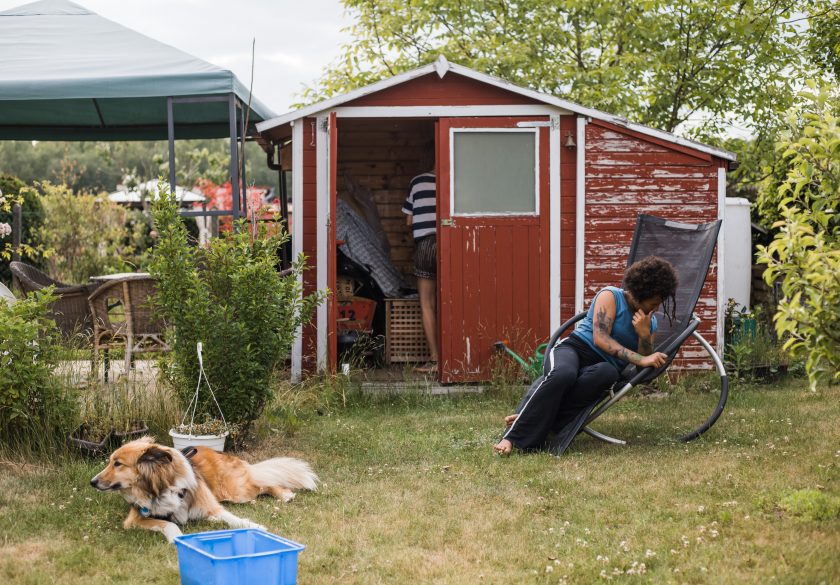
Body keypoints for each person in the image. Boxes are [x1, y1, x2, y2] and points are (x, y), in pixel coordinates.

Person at [493, 256, 678, 455]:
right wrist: (642, 358)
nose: (656, 308)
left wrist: (644, 336)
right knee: (564, 374)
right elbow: (600, 339)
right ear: (642, 292)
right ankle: (512, 438)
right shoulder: (611, 296)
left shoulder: (650, 323)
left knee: (608, 373)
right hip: (574, 350)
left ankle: (532, 418)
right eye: (654, 302)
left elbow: (644, 369)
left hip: (602, 368)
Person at [402, 143, 438, 373]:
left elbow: (408, 220)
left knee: (427, 302)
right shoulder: (457, 179)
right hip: (452, 244)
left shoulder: (418, 181)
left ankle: (435, 359)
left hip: (425, 244)